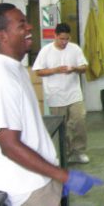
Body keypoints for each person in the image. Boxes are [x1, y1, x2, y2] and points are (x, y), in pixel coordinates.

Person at [0, 3, 103, 206]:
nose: (29, 27)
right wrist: (64, 176)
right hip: (27, 188)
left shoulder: (14, 68)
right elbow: (9, 145)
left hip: (40, 178)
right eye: (21, 25)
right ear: (2, 35)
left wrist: (54, 176)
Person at [33, 22, 90, 164]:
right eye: (61, 39)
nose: (64, 42)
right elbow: (38, 71)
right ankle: (65, 153)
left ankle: (79, 151)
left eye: (66, 39)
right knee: (62, 128)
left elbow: (84, 67)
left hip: (74, 94)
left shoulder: (75, 49)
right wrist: (56, 70)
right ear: (55, 36)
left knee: (79, 121)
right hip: (56, 96)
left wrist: (75, 69)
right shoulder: (46, 51)